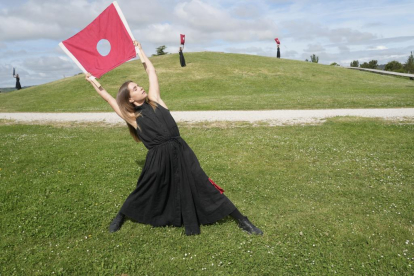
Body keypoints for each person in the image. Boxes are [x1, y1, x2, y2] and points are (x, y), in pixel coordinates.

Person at [85, 40, 263, 236]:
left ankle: (241, 219)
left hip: (181, 150)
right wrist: (94, 81)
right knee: (146, 188)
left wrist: (141, 52)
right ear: (129, 99)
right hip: (157, 158)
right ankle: (121, 215)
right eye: (135, 89)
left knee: (202, 182)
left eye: (138, 85)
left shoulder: (156, 101)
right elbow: (110, 99)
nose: (140, 88)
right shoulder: (133, 117)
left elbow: (151, 73)